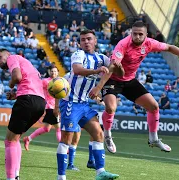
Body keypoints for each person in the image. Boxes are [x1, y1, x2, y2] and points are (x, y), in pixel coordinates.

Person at [89, 21, 179, 153]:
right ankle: (107, 135)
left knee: (153, 106)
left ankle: (153, 139)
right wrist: (99, 87)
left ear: (146, 35)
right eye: (134, 34)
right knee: (111, 107)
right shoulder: (123, 45)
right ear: (131, 33)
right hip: (112, 79)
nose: (137, 37)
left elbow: (169, 47)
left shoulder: (150, 43)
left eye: (141, 34)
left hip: (129, 80)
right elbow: (112, 67)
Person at [56, 30, 120, 180]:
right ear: (80, 43)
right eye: (83, 39)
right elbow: (77, 70)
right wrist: (97, 71)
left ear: (95, 41)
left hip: (84, 104)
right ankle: (61, 177)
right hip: (70, 103)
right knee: (66, 138)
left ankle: (100, 172)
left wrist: (118, 66)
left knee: (98, 134)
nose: (86, 42)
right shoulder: (78, 55)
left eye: (89, 39)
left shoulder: (101, 58)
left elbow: (115, 70)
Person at [0, 48, 46, 180]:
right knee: (15, 139)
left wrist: (11, 84)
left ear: (8, 54)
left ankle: (11, 178)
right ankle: (15, 175)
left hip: (27, 101)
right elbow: (31, 86)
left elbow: (17, 77)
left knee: (9, 141)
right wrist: (16, 95)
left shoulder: (13, 58)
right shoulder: (27, 63)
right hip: (40, 103)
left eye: (0, 57)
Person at [23, 66, 61, 150]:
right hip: (50, 107)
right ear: (49, 72)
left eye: (55, 71)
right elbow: (37, 87)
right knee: (58, 128)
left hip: (54, 106)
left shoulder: (60, 82)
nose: (53, 73)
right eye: (52, 71)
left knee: (46, 129)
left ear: (58, 72)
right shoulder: (46, 82)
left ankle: (28, 139)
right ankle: (64, 149)